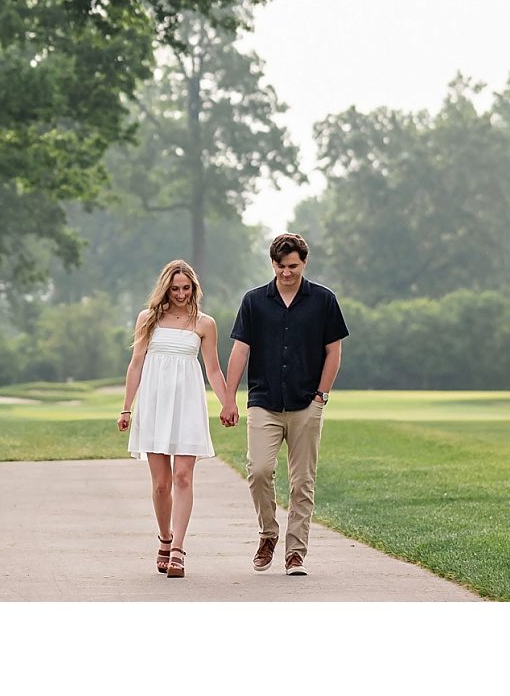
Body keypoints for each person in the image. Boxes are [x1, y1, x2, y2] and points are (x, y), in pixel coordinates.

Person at [221, 232, 347, 576]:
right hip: (264, 401)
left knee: (301, 482)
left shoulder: (324, 300)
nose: (286, 273)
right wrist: (229, 398)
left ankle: (296, 552)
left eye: (292, 266)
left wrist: (321, 396)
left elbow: (333, 351)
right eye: (280, 266)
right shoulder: (254, 301)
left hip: (307, 403)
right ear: (272, 263)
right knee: (259, 471)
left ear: (304, 262)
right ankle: (268, 534)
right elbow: (240, 350)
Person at [118, 260, 228, 579]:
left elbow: (213, 369)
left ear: (194, 288)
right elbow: (136, 364)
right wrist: (126, 408)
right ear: (166, 288)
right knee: (161, 483)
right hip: (154, 404)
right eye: (175, 288)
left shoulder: (204, 323)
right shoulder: (148, 320)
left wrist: (227, 403)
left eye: (186, 288)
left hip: (188, 404)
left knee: (182, 476)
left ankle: (178, 549)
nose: (181, 294)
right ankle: (164, 539)